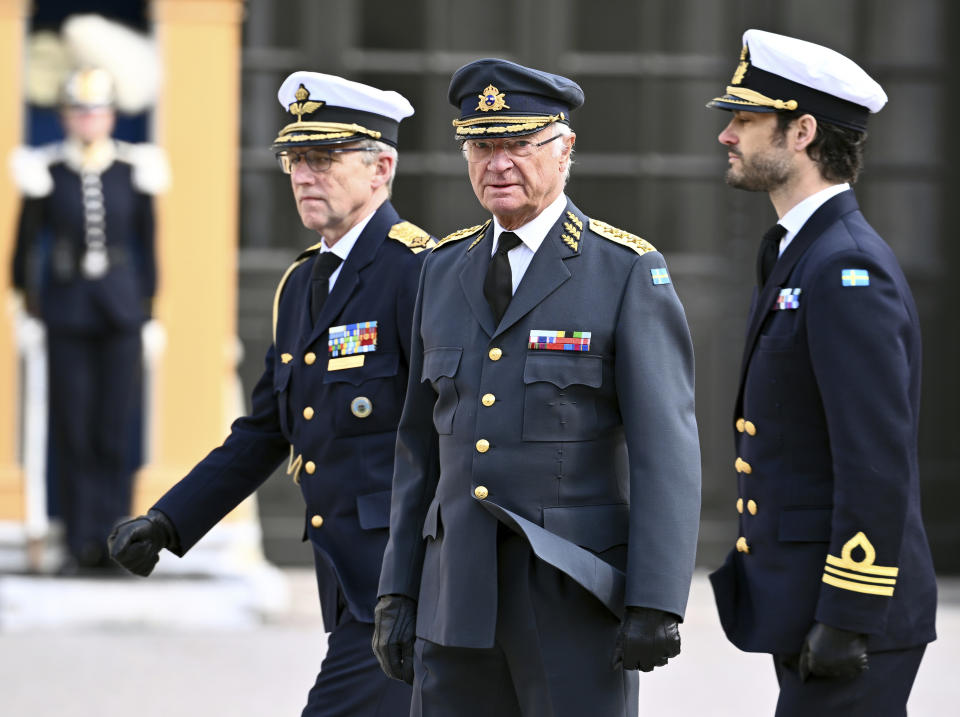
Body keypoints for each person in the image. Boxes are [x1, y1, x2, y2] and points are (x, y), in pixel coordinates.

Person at [372, 58, 701, 717]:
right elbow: (418, 447)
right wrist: (398, 590)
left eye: (518, 144)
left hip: (570, 593)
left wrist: (656, 599)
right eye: (481, 145)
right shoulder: (442, 268)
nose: (498, 164)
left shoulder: (624, 270)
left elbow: (666, 449)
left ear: (565, 148)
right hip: (454, 593)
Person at [108, 71, 433, 716]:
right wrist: (169, 521)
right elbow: (265, 430)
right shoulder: (301, 285)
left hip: (407, 579)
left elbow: (448, 424)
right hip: (346, 578)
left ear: (382, 168)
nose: (304, 176)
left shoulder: (418, 269)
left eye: (323, 159)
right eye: (295, 159)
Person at [705, 29, 938, 716]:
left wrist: (849, 611)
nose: (727, 135)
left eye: (745, 119)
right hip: (804, 601)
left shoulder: (843, 267)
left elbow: (875, 459)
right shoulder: (796, 251)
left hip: (850, 615)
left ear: (802, 131)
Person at [10, 67, 165, 573]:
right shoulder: (46, 171)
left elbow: (148, 246)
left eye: (96, 111)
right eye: (79, 111)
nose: (88, 120)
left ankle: (114, 543)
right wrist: (28, 307)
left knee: (113, 430)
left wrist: (149, 312)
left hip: (120, 311)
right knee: (73, 429)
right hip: (67, 311)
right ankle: (78, 542)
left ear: (111, 116)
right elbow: (24, 249)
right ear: (65, 117)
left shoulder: (132, 169)